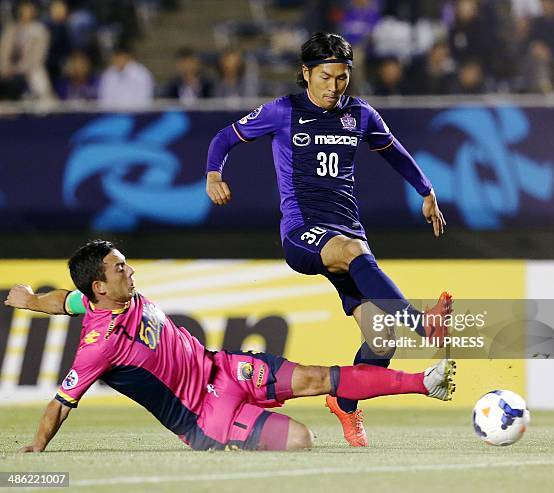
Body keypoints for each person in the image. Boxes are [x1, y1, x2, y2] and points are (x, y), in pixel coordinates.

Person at [205, 32, 451, 447]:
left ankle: (346, 406)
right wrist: (214, 173)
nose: (334, 87)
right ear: (306, 73)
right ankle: (420, 323)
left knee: (381, 338)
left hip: (348, 233)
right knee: (356, 259)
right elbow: (223, 138)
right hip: (303, 233)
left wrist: (426, 191)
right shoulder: (283, 111)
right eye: (325, 76)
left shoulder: (361, 114)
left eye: (342, 78)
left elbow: (394, 152)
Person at [4, 240, 456, 453]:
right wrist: (37, 448)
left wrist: (26, 300)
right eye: (121, 268)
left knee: (320, 377)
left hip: (224, 367)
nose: (132, 271)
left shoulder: (102, 297)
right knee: (301, 440)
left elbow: (62, 300)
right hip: (206, 417)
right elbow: (62, 402)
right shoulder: (97, 346)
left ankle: (423, 382)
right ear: (102, 285)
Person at [97, 45, 153, 109]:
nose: (119, 60)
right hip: (112, 114)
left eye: (121, 57)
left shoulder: (141, 75)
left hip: (135, 113)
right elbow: (104, 99)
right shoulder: (108, 75)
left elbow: (144, 100)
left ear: (128, 57)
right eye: (116, 57)